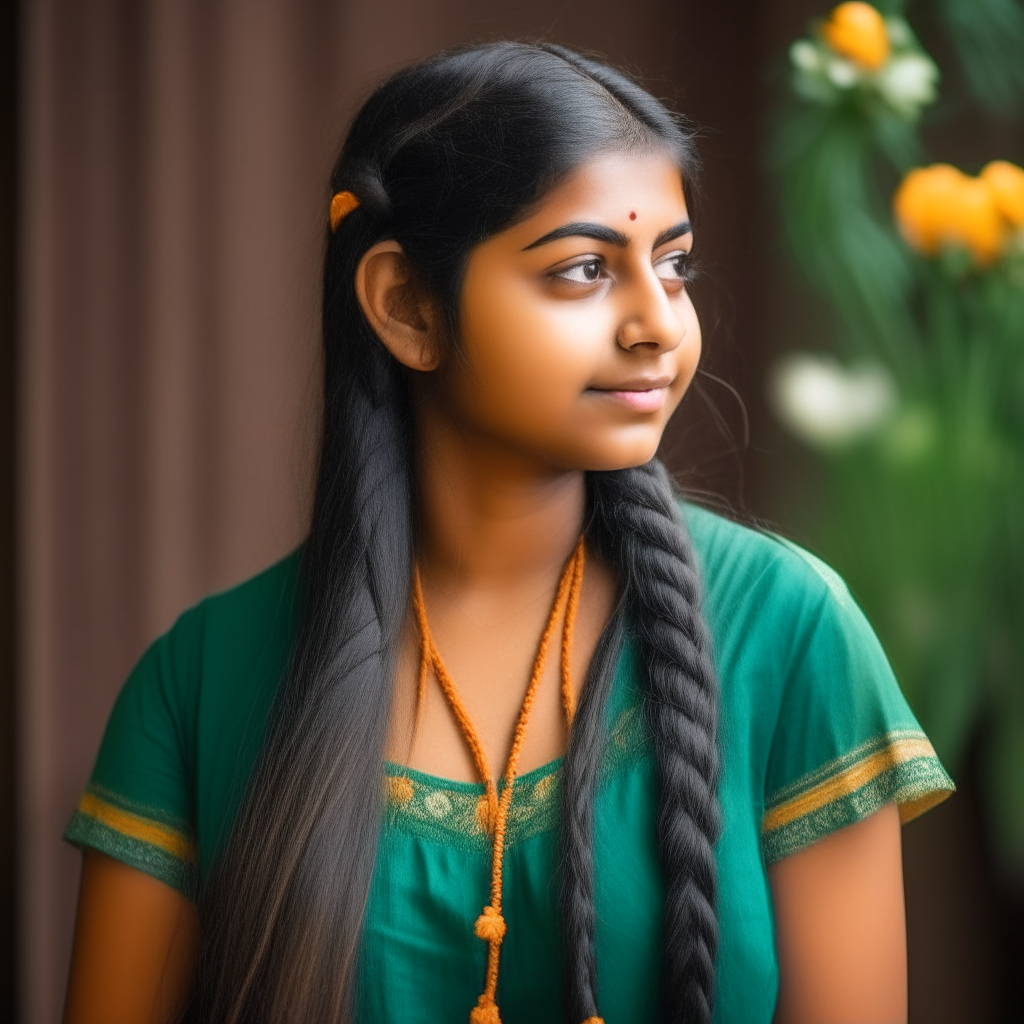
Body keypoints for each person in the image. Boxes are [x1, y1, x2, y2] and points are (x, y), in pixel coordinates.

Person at [61, 41, 953, 1024]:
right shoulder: (198, 683)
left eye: (675, 264)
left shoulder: (786, 630)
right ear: (405, 306)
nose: (658, 324)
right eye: (582, 270)